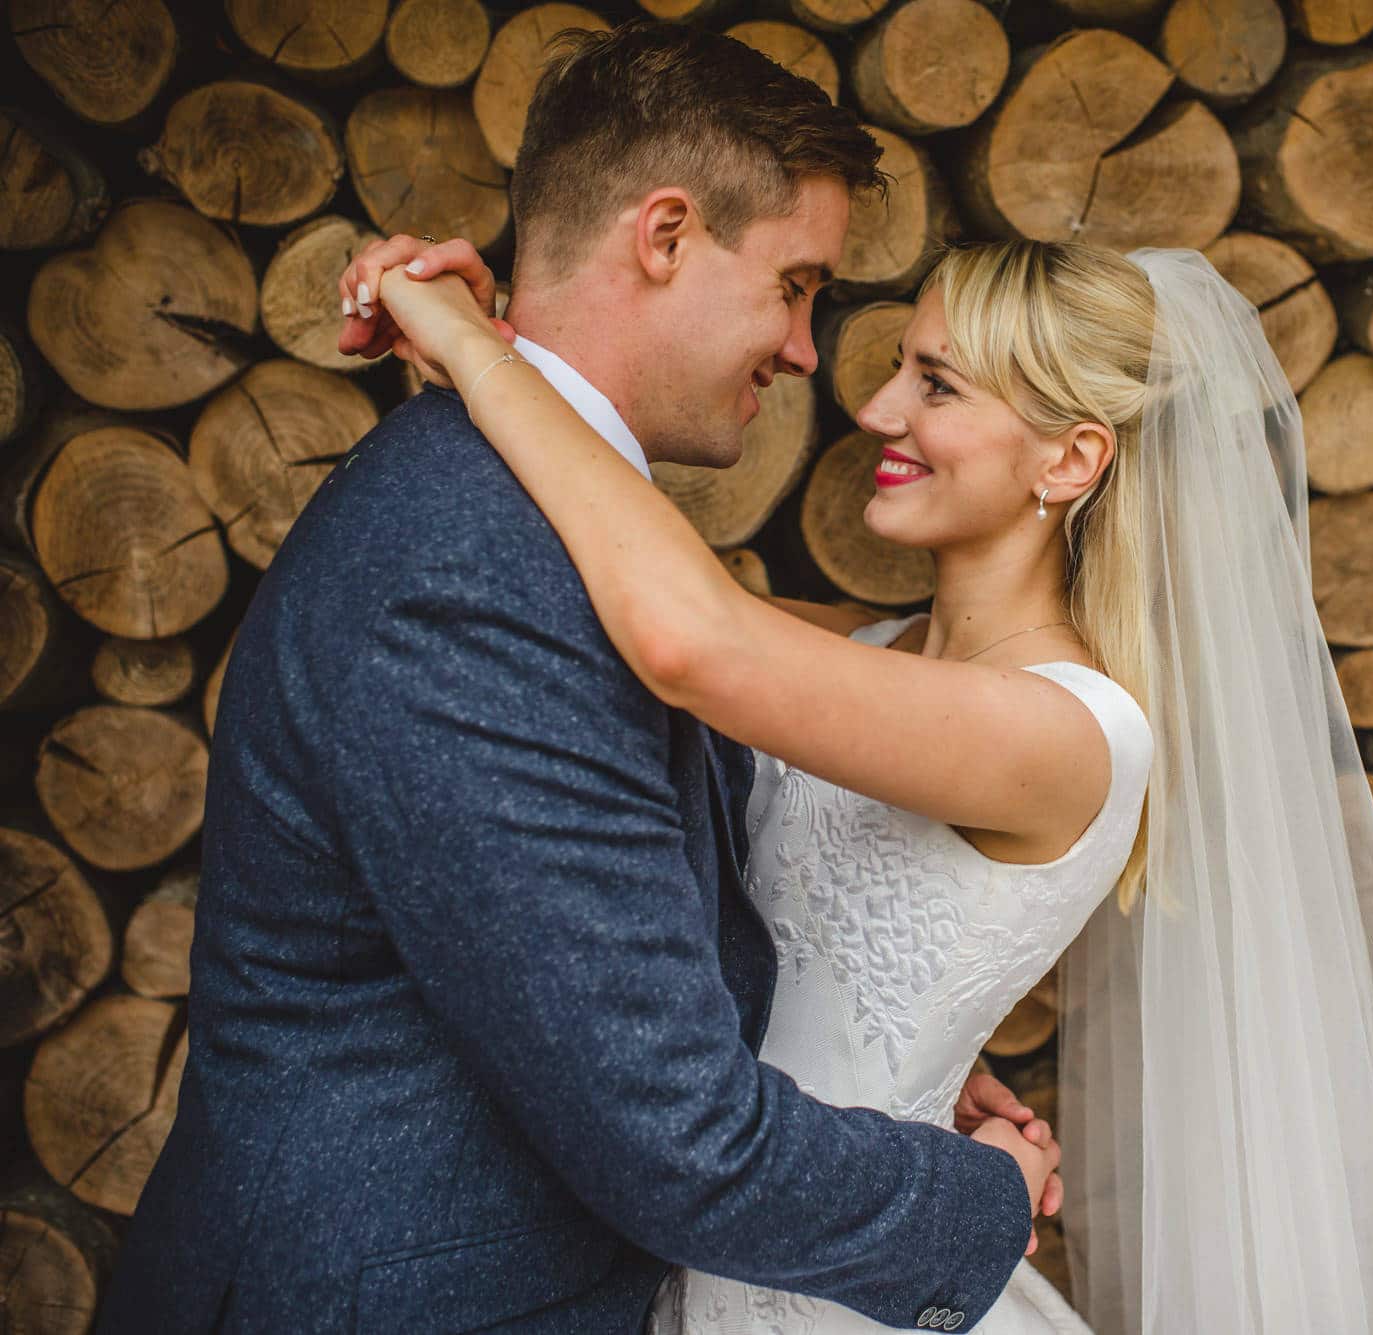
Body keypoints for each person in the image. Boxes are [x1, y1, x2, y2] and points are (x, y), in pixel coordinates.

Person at [98, 23, 1059, 1335]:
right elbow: (682, 1139)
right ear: (665, 237)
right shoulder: (478, 564)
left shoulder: (547, 519)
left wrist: (886, 1058)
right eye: (795, 285)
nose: (803, 353)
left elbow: (656, 901)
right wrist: (979, 1200)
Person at [344, 227, 1373, 1329]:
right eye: (896, 371)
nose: (875, 411)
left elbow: (689, 639)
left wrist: (476, 346)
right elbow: (590, 574)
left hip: (838, 1276)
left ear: (1070, 459)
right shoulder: (870, 654)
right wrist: (474, 354)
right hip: (728, 1215)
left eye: (936, 385)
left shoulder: (1065, 731)